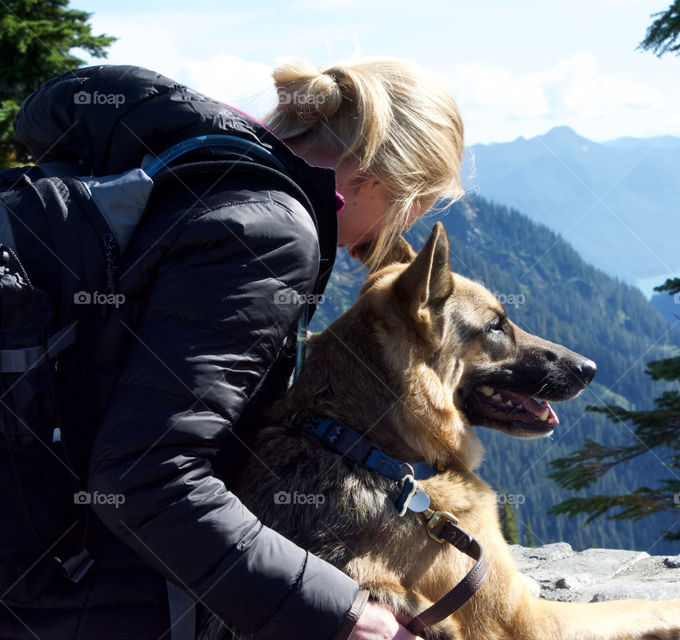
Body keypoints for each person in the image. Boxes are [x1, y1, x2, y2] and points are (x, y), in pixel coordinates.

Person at [0, 57, 464, 640]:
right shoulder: (268, 230)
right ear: (373, 179)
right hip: (77, 593)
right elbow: (150, 477)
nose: (394, 235)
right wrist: (344, 616)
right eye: (413, 205)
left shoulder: (188, 166)